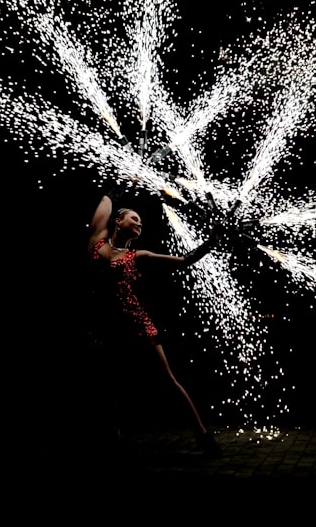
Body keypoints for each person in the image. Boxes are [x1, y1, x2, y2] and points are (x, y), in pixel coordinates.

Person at [84, 183, 223, 457]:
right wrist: (128, 179)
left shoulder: (140, 256)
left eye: (142, 222)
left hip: (137, 325)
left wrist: (212, 241)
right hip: (107, 326)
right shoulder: (96, 242)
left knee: (168, 380)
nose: (139, 224)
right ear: (118, 221)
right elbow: (107, 198)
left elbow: (183, 261)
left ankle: (202, 435)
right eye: (134, 218)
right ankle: (113, 437)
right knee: (109, 382)